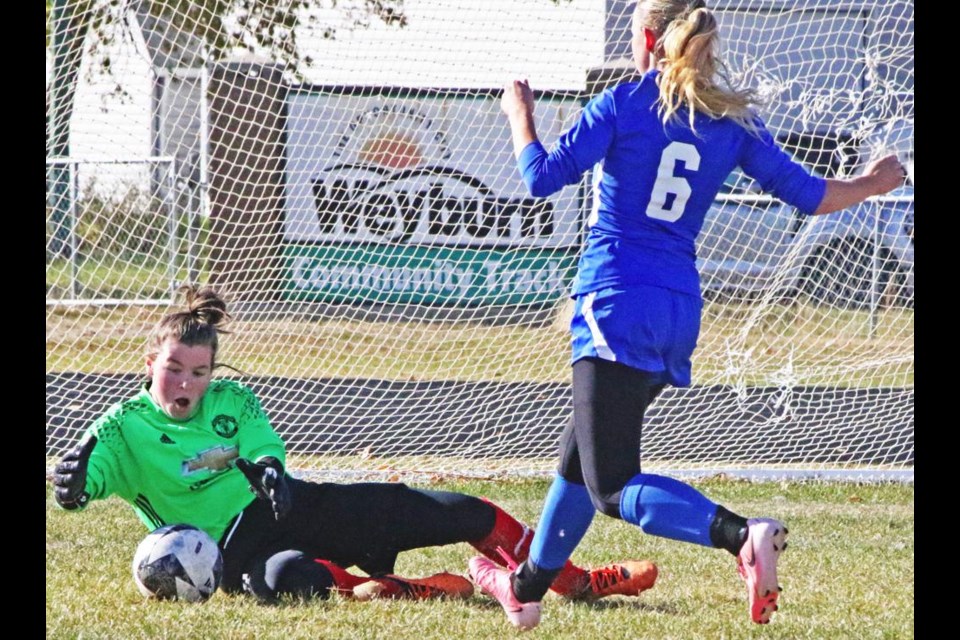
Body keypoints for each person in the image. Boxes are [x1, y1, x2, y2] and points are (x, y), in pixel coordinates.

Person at [468, 0, 908, 630]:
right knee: (581, 454)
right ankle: (529, 585)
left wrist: (520, 116)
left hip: (615, 305)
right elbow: (811, 196)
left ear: (647, 38)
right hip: (676, 311)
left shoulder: (624, 102)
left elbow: (539, 177)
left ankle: (738, 535)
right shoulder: (732, 122)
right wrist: (870, 182)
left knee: (613, 486)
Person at [51, 285, 658, 604]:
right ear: (149, 361)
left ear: (214, 371)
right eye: (173, 369)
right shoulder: (121, 429)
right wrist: (73, 483)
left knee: (457, 511)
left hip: (293, 506)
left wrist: (268, 470)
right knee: (289, 583)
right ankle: (425, 587)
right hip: (230, 554)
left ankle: (574, 580)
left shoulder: (231, 402)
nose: (185, 384)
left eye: (198, 372)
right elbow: (87, 480)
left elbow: (264, 447)